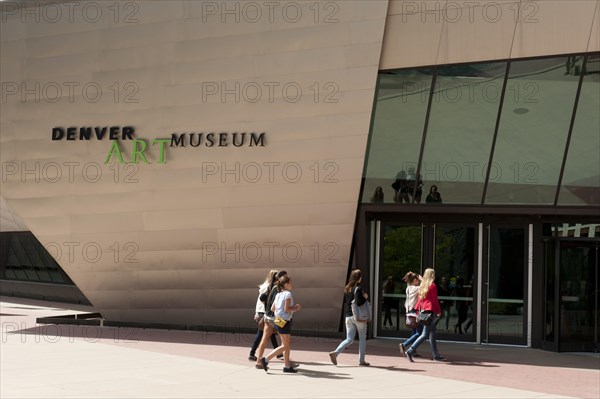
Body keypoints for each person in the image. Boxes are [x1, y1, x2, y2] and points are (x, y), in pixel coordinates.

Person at [260, 275, 302, 373]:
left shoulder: (278, 294)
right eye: (290, 283)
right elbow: (287, 309)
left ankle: (287, 366)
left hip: (278, 320)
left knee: (286, 344)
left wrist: (280, 313)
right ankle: (266, 359)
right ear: (286, 284)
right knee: (286, 345)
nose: (292, 284)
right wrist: (295, 308)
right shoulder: (287, 294)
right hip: (284, 321)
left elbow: (272, 309)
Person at [328, 269, 370, 366]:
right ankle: (361, 360)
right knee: (362, 338)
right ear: (359, 278)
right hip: (358, 316)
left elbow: (347, 302)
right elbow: (359, 303)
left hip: (348, 316)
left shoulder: (347, 288)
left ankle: (335, 353)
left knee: (349, 339)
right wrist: (365, 298)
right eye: (361, 276)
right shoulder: (358, 288)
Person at [404, 268, 446, 362]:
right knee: (424, 334)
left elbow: (419, 301)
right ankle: (410, 351)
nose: (434, 276)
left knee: (432, 334)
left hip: (423, 311)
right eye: (433, 275)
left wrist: (418, 312)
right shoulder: (432, 286)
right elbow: (434, 300)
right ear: (431, 276)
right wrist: (439, 311)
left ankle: (436, 355)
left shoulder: (422, 286)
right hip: (430, 312)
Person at [254, 270, 287, 368]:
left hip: (268, 317)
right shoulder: (279, 290)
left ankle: (258, 361)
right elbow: (276, 305)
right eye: (285, 277)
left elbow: (262, 298)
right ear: (280, 279)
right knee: (286, 340)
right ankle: (286, 364)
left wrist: (266, 308)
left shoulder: (270, 287)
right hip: (276, 318)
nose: (287, 279)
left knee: (264, 339)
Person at [248, 270, 279, 361]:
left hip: (264, 312)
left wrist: (257, 312)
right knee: (262, 333)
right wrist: (258, 312)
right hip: (266, 313)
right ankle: (252, 353)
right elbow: (262, 300)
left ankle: (278, 352)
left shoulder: (266, 286)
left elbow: (259, 300)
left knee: (271, 332)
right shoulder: (270, 287)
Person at [398, 271, 423, 358]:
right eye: (418, 280)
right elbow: (426, 287)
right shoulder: (415, 289)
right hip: (414, 313)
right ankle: (404, 345)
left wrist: (411, 274)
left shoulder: (408, 288)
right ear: (415, 280)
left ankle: (413, 350)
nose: (419, 282)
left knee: (414, 332)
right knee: (419, 333)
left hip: (409, 312)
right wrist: (422, 279)